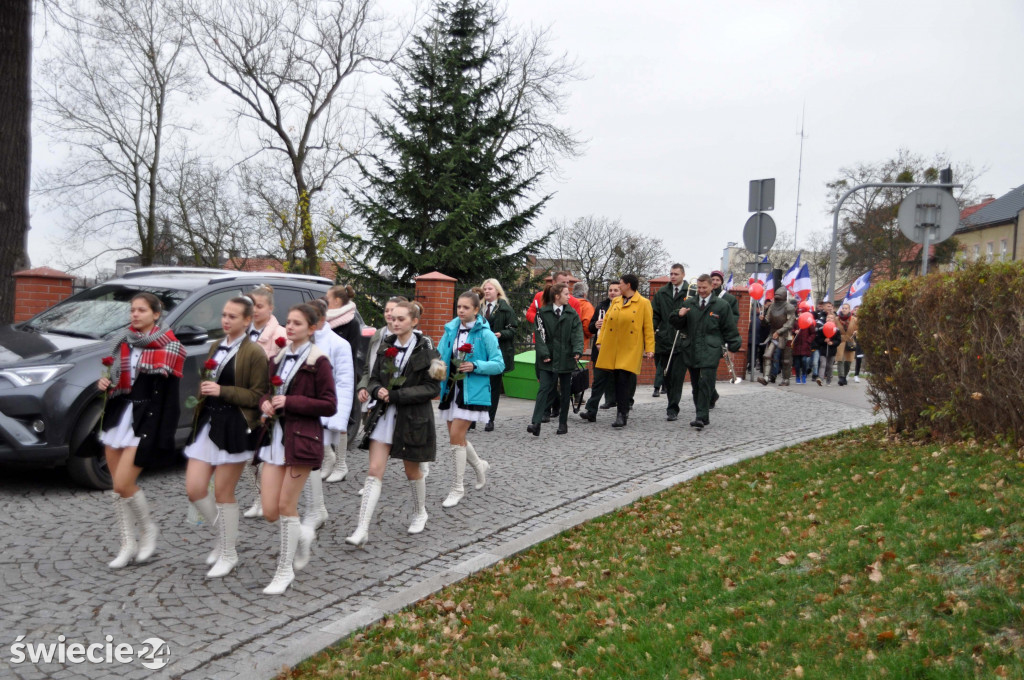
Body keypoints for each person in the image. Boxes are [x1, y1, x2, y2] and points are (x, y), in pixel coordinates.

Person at [97, 292, 186, 568]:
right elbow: (115, 379)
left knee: (124, 482)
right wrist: (103, 384)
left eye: (142, 310)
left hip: (146, 419)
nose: (135, 315)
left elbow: (170, 399)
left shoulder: (171, 347)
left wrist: (164, 434)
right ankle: (127, 544)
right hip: (119, 413)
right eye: (133, 310)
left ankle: (147, 530)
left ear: (156, 314)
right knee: (117, 488)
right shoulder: (122, 342)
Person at [183, 296, 269, 577]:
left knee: (223, 492)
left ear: (247, 320)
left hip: (235, 426)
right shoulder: (215, 346)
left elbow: (257, 395)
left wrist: (223, 391)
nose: (226, 320)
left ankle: (228, 552)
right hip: (209, 423)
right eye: (224, 315)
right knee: (195, 489)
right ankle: (225, 537)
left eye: (233, 316)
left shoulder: (254, 352)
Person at [347, 301, 445, 546]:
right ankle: (362, 528)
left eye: (401, 318)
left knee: (412, 470)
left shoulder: (427, 351)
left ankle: (420, 511)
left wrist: (398, 395)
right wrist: (377, 388)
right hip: (384, 416)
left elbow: (432, 388)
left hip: (413, 418)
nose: (394, 321)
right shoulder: (385, 346)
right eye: (392, 318)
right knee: (374, 471)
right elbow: (374, 377)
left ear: (414, 321)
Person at [256, 303, 337, 595]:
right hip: (276, 436)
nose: (289, 327)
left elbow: (329, 404)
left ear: (312, 328)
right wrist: (265, 401)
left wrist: (291, 403)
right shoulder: (278, 356)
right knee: (269, 510)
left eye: (297, 323)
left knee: (285, 506)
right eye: (288, 322)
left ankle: (284, 571)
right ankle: (302, 533)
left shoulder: (319, 360)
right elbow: (267, 389)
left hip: (302, 438)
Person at [436, 289, 503, 507]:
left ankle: (457, 488)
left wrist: (475, 365)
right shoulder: (451, 330)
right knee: (458, 439)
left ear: (476, 309)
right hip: (450, 389)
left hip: (472, 391)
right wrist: (437, 369)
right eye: (459, 307)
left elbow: (498, 364)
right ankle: (480, 465)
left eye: (466, 307)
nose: (461, 311)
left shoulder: (485, 334)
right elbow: (439, 355)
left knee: (456, 436)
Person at [297, 299, 354, 533]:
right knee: (302, 461)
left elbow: (344, 382)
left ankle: (315, 509)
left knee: (310, 461)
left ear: (321, 320)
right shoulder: (297, 343)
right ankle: (315, 507)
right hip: (297, 410)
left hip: (320, 411)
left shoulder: (339, 344)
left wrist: (336, 420)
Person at [671, 274, 741, 430]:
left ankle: (701, 417)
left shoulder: (721, 305)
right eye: (699, 287)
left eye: (704, 288)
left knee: (705, 382)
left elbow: (729, 327)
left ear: (711, 287)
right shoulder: (690, 303)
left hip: (711, 349)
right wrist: (679, 315)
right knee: (696, 384)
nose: (701, 291)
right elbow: (676, 324)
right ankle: (701, 413)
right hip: (692, 349)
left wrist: (734, 345)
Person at [243, 285, 288, 519]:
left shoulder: (280, 334)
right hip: (245, 398)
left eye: (260, 306)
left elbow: (280, 372)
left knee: (262, 452)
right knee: (249, 453)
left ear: (271, 307)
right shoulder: (244, 331)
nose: (255, 310)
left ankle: (267, 498)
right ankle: (256, 497)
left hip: (266, 400)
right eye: (252, 306)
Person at [593, 274, 654, 428]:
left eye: (620, 284)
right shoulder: (616, 301)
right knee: (616, 379)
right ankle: (623, 410)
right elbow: (606, 322)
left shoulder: (643, 303)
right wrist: (600, 341)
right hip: (613, 346)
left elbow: (648, 327)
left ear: (628, 285)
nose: (619, 286)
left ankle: (621, 414)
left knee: (623, 379)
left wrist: (649, 348)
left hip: (630, 347)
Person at [322, 284, 365, 483]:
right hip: (323, 376)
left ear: (337, 301)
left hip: (341, 377)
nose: (324, 300)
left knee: (339, 422)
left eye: (327, 298)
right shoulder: (325, 321)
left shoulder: (351, 323)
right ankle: (328, 458)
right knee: (320, 419)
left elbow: (350, 353)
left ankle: (341, 464)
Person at [527, 283, 584, 436]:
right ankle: (536, 423)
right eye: (566, 294)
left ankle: (563, 423)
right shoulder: (542, 313)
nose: (569, 296)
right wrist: (544, 354)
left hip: (566, 358)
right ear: (557, 296)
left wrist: (577, 350)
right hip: (548, 359)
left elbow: (578, 334)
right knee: (544, 389)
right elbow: (539, 336)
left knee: (565, 392)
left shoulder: (572, 314)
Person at [652, 264, 689, 421]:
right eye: (671, 274)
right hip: (664, 340)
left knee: (677, 377)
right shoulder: (662, 292)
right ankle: (671, 402)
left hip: (682, 341)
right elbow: (655, 314)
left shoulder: (690, 292)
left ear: (683, 275)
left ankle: (673, 408)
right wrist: (652, 330)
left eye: (676, 274)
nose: (673, 276)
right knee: (666, 376)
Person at [579, 281, 620, 421]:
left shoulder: (625, 307)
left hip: (617, 350)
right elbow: (590, 328)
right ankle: (591, 411)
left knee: (621, 382)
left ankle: (622, 410)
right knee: (598, 382)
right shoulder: (601, 306)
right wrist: (595, 325)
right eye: (610, 290)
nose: (612, 293)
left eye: (615, 290)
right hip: (600, 349)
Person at [480, 279, 517, 432]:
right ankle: (474, 417)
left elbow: (513, 329)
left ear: (497, 291)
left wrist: (501, 334)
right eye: (485, 289)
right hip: (479, 352)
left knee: (494, 387)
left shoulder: (505, 309)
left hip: (497, 351)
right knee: (478, 384)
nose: (487, 291)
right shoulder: (478, 307)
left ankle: (490, 418)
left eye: (490, 288)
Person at [708, 269, 739, 407]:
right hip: (703, 337)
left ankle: (709, 396)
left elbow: (733, 319)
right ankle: (712, 394)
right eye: (713, 279)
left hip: (718, 338)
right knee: (705, 369)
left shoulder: (729, 299)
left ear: (721, 282)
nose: (715, 282)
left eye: (717, 280)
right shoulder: (704, 295)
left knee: (711, 368)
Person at [757, 288, 796, 387]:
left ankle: (786, 379)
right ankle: (766, 377)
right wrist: (762, 320)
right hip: (773, 334)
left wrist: (779, 331)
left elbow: (790, 322)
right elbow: (767, 321)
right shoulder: (772, 306)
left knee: (785, 359)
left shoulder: (789, 307)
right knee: (767, 355)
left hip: (785, 335)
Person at [814, 312, 842, 386]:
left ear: (834, 320)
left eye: (831, 318)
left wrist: (832, 343)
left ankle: (829, 380)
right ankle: (820, 379)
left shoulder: (837, 330)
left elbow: (838, 340)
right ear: (826, 319)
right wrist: (824, 340)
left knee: (829, 366)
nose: (829, 319)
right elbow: (817, 339)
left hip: (832, 351)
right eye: (828, 317)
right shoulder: (821, 329)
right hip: (823, 349)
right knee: (823, 364)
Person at [836, 303, 859, 386]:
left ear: (849, 310)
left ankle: (845, 375)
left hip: (850, 340)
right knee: (840, 360)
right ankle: (841, 377)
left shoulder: (854, 319)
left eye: (846, 308)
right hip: (841, 341)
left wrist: (857, 332)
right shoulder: (837, 319)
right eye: (843, 308)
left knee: (848, 361)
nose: (844, 309)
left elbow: (859, 328)